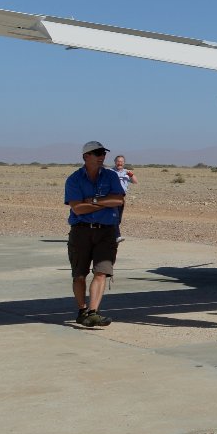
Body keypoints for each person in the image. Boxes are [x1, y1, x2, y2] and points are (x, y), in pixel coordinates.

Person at [64, 140, 126, 328]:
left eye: (103, 153)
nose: (102, 157)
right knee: (79, 275)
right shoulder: (74, 179)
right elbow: (78, 208)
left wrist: (94, 201)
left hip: (106, 232)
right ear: (86, 156)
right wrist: (104, 203)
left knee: (101, 272)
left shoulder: (111, 176)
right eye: (97, 153)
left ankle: (93, 312)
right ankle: (82, 311)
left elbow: (118, 200)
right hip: (81, 231)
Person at [112, 154, 137, 244]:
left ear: (124, 163)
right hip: (112, 197)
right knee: (114, 216)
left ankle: (110, 234)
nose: (120, 163)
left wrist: (131, 175)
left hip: (122, 198)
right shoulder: (110, 172)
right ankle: (117, 236)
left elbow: (135, 181)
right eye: (118, 161)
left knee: (118, 218)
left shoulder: (127, 172)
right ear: (115, 162)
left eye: (121, 161)